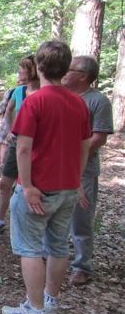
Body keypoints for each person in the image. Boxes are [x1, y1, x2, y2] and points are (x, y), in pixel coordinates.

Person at [1, 40, 90, 314]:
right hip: (67, 188)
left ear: (39, 67)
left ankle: (36, 310)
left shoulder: (35, 101)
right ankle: (49, 302)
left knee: (30, 248)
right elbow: (83, 148)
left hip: (39, 188)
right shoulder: (78, 102)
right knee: (57, 245)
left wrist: (26, 186)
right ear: (65, 69)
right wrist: (76, 181)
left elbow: (23, 148)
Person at [63, 55, 113, 286]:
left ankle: (82, 266)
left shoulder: (98, 101)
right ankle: (49, 256)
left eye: (70, 69)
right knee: (53, 212)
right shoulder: (62, 96)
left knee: (81, 218)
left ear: (83, 76)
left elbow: (99, 138)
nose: (65, 72)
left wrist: (73, 158)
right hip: (57, 167)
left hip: (83, 171)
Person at [0, 56, 39, 234]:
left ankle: (31, 227)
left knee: (31, 185)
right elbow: (8, 109)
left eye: (23, 68)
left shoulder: (45, 93)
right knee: (5, 184)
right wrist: (12, 130)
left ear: (32, 71)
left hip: (37, 147)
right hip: (17, 145)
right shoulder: (19, 91)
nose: (19, 72)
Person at [0, 72, 27, 171]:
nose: (19, 81)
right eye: (18, 80)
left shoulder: (33, 92)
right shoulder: (11, 92)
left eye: (21, 80)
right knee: (4, 143)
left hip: (20, 126)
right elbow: (2, 107)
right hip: (8, 124)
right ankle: (2, 165)